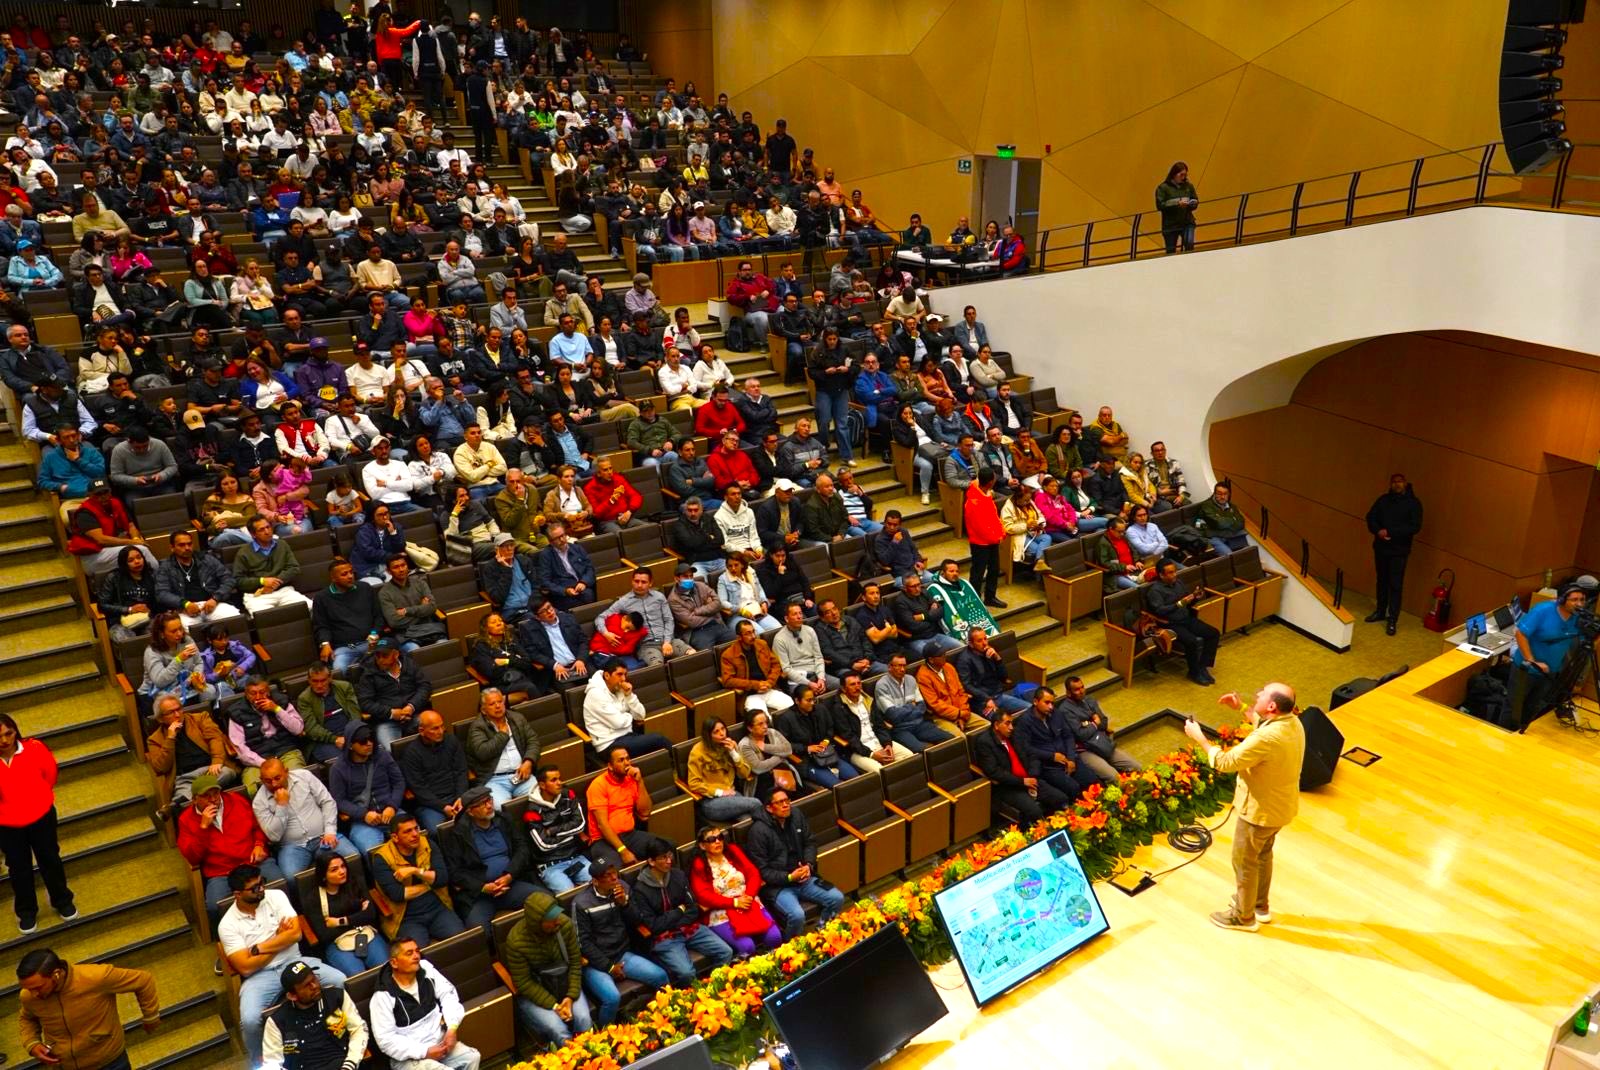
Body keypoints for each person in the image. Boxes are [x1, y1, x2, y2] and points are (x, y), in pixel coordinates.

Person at [1184, 683, 1305, 932]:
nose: (1257, 693)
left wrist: (1200, 738)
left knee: (1245, 862)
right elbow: (1263, 724)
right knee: (1262, 856)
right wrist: (1242, 708)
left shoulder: (1267, 738)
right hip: (1279, 808)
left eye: (1262, 693)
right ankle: (1259, 906)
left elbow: (1226, 761)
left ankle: (1243, 916)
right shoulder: (1293, 723)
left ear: (1271, 706)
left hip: (1259, 812)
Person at [219, 864, 348, 1065]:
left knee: (339, 981)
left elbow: (296, 934)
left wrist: (258, 948)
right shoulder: (227, 924)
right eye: (254, 888)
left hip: (294, 962)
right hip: (260, 976)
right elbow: (245, 967)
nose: (261, 889)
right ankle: (259, 1061)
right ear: (237, 894)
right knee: (250, 1020)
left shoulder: (276, 896)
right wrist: (279, 937)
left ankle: (336, 1034)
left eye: (262, 883)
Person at [17, 948, 160, 1070]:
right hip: (64, 1066)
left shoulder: (96, 977)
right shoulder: (28, 995)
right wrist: (32, 1043)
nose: (33, 994)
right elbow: (27, 1017)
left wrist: (151, 1015)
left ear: (56, 974)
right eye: (28, 988)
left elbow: (143, 980)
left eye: (38, 987)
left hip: (110, 1063)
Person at [0, 714, 76, 933]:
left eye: (9, 733)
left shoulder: (34, 748)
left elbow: (50, 775)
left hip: (41, 816)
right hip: (8, 825)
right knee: (18, 868)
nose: (5, 740)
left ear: (16, 731)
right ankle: (27, 911)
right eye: (0, 737)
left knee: (50, 859)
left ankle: (62, 900)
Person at [177, 773, 282, 925]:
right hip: (221, 871)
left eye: (216, 794)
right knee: (215, 906)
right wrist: (203, 827)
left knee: (279, 884)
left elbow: (257, 828)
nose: (213, 800)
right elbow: (193, 858)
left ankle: (280, 923)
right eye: (207, 796)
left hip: (252, 862)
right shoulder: (186, 820)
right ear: (194, 800)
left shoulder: (236, 800)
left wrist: (259, 845)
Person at [631, 836, 735, 984]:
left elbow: (692, 908)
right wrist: (679, 911)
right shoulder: (640, 890)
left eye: (670, 856)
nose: (669, 861)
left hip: (689, 928)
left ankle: (715, 987)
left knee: (726, 952)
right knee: (687, 973)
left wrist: (673, 919)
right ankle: (692, 998)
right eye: (663, 858)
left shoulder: (678, 875)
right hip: (665, 938)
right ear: (651, 861)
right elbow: (653, 925)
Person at [368, 937, 481, 1070]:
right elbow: (386, 1040)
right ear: (394, 963)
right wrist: (424, 1051)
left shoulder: (427, 969)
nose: (416, 956)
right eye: (409, 953)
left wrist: (452, 1028)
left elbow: (448, 995)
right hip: (409, 1057)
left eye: (417, 951)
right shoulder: (382, 996)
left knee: (472, 1057)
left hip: (440, 1042)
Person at [502, 891, 595, 1050]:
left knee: (584, 1020)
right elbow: (523, 983)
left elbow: (575, 962)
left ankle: (591, 1059)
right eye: (551, 920)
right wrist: (554, 1006)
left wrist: (570, 996)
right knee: (558, 1030)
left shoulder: (565, 925)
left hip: (564, 984)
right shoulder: (516, 941)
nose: (557, 921)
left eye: (557, 915)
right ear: (538, 923)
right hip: (537, 993)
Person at [441, 785, 538, 928]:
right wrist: (483, 887)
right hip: (481, 895)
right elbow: (455, 872)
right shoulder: (458, 834)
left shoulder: (504, 820)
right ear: (470, 812)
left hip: (511, 884)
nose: (489, 805)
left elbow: (522, 848)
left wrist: (509, 875)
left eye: (489, 800)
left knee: (546, 902)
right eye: (482, 804)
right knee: (477, 930)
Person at [369, 814, 467, 947]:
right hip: (407, 918)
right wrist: (430, 882)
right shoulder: (381, 858)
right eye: (408, 831)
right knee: (415, 954)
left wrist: (416, 871)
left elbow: (442, 878)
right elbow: (398, 894)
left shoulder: (427, 843)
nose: (415, 834)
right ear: (395, 837)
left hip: (438, 909)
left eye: (416, 828)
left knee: (464, 941)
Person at [252, 756, 360, 875]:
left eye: (277, 778)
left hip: (323, 836)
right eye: (267, 781)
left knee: (353, 856)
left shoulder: (304, 776)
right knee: (291, 877)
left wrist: (330, 831)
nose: (274, 784)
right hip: (292, 847)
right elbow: (274, 836)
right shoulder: (259, 802)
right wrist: (281, 806)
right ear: (261, 780)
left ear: (286, 772)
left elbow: (327, 802)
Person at [688, 826, 781, 957]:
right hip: (721, 910)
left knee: (774, 937)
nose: (717, 841)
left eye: (720, 837)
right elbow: (704, 896)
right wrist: (735, 902)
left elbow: (753, 873)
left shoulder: (733, 851)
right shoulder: (699, 865)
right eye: (711, 839)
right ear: (702, 846)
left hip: (748, 901)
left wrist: (749, 895)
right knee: (747, 946)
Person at [261, 958, 370, 1070]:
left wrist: (350, 1063)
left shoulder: (337, 997)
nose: (315, 986)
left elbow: (359, 1029)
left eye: (314, 978)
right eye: (306, 985)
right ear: (292, 996)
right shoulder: (277, 1021)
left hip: (343, 1065)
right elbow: (272, 1064)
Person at [973, 709, 1070, 823]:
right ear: (996, 725)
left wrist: (1032, 776)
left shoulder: (1014, 735)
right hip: (1009, 786)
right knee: (1035, 812)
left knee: (1061, 799)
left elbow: (1032, 755)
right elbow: (994, 772)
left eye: (1012, 723)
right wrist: (1022, 781)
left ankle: (1057, 826)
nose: (1011, 728)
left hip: (1030, 779)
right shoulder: (984, 743)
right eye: (1007, 723)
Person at [1512, 583, 1589, 727]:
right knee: (1514, 708)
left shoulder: (1579, 618)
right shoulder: (1542, 611)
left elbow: (1587, 639)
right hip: (1527, 670)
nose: (1579, 604)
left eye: (1582, 599)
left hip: (1550, 672)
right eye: (1574, 599)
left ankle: (1521, 735)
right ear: (1561, 600)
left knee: (1533, 707)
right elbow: (1520, 634)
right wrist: (1531, 661)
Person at [304, 851, 389, 977]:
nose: (342, 871)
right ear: (323, 876)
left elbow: (370, 915)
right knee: (358, 977)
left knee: (386, 970)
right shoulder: (313, 898)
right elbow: (324, 934)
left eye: (343, 866)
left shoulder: (356, 882)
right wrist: (359, 916)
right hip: (336, 943)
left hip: (363, 933)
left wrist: (339, 921)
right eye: (334, 870)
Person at [1146, 557, 1221, 685]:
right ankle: (1194, 672)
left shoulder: (1178, 583)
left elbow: (1187, 601)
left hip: (1186, 619)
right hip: (1171, 623)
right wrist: (1180, 604)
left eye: (1174, 571)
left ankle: (1202, 666)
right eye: (1170, 573)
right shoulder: (1155, 591)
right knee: (1192, 641)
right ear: (1161, 575)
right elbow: (1160, 611)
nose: (1174, 574)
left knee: (1213, 633)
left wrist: (1195, 597)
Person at [1365, 473, 1423, 635]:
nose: (1397, 484)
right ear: (1390, 484)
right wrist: (1378, 531)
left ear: (1405, 483)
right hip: (1381, 547)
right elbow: (1370, 517)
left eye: (1400, 482)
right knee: (1381, 581)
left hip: (1399, 550)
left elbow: (1415, 527)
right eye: (1394, 482)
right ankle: (1380, 611)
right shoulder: (1383, 500)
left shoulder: (1414, 504)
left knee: (1395, 585)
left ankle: (1392, 619)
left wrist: (1390, 532)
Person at [1057, 675, 1143, 783]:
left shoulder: (1089, 700)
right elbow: (1081, 735)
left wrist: (1088, 724)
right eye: (1077, 689)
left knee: (1136, 767)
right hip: (1085, 750)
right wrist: (1094, 723)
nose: (1081, 691)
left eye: (1082, 687)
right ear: (1068, 692)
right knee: (1114, 777)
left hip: (1101, 743)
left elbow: (1104, 723)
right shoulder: (1065, 710)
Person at [463, 688, 539, 807]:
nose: (498, 706)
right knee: (500, 809)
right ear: (483, 710)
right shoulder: (477, 728)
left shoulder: (517, 718)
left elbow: (533, 741)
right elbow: (483, 753)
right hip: (494, 780)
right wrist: (503, 735)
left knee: (540, 799)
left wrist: (528, 761)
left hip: (521, 775)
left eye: (500, 702)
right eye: (492, 704)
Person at [525, 765, 593, 893]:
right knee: (570, 895)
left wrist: (553, 831)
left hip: (575, 857)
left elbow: (580, 824)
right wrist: (571, 835)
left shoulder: (568, 795)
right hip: (550, 865)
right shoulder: (532, 811)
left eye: (559, 778)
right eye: (553, 780)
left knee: (598, 883)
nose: (559, 783)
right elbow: (543, 845)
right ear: (542, 785)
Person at [585, 746, 656, 868]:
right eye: (621, 760)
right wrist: (623, 850)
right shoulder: (598, 786)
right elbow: (603, 824)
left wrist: (640, 781)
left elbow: (645, 813)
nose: (627, 763)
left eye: (628, 758)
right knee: (616, 866)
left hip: (629, 835)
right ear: (610, 766)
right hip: (603, 840)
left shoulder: (632, 779)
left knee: (665, 847)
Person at [687, 716, 766, 822]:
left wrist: (733, 753)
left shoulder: (730, 745)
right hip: (711, 801)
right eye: (716, 731)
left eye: (723, 729)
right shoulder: (697, 752)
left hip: (732, 794)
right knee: (756, 803)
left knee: (747, 820)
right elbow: (693, 783)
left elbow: (745, 774)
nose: (722, 733)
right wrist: (720, 792)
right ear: (708, 736)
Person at [964, 470, 1007, 608]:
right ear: (990, 482)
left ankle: (990, 597)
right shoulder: (973, 502)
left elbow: (994, 516)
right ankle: (974, 600)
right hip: (979, 543)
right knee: (978, 573)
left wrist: (1001, 532)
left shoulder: (986, 494)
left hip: (992, 540)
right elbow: (980, 527)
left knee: (994, 569)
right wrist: (997, 537)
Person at [928, 557, 998, 638]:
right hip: (961, 627)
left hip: (978, 622)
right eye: (951, 571)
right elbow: (945, 616)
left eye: (957, 571)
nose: (955, 573)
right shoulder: (934, 589)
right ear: (942, 573)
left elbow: (979, 604)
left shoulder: (964, 583)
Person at [1156, 161, 1199, 254]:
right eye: (1181, 175)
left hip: (1187, 221)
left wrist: (1192, 203)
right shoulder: (1163, 188)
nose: (1183, 177)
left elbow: (1195, 199)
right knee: (1171, 251)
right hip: (1170, 224)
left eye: (1185, 175)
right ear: (1174, 174)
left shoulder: (1188, 186)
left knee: (1189, 245)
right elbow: (1160, 205)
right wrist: (1176, 204)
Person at [1195, 482, 1248, 558]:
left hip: (1228, 535)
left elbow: (1241, 523)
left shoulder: (1232, 507)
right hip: (1211, 537)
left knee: (1246, 553)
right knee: (1230, 557)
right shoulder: (1206, 505)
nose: (1223, 497)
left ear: (1229, 495)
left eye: (1225, 494)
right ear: (1214, 494)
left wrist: (1224, 521)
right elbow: (1218, 523)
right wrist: (1232, 520)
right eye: (1219, 494)